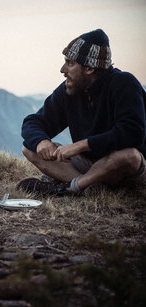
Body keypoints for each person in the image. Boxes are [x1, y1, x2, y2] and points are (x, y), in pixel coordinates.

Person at [17, 29, 146, 196]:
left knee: (128, 155)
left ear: (89, 68)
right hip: (89, 165)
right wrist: (41, 141)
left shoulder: (124, 84)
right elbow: (32, 122)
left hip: (127, 168)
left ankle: (69, 188)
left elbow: (132, 132)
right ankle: (88, 188)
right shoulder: (69, 90)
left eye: (70, 63)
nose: (62, 69)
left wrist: (80, 146)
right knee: (30, 148)